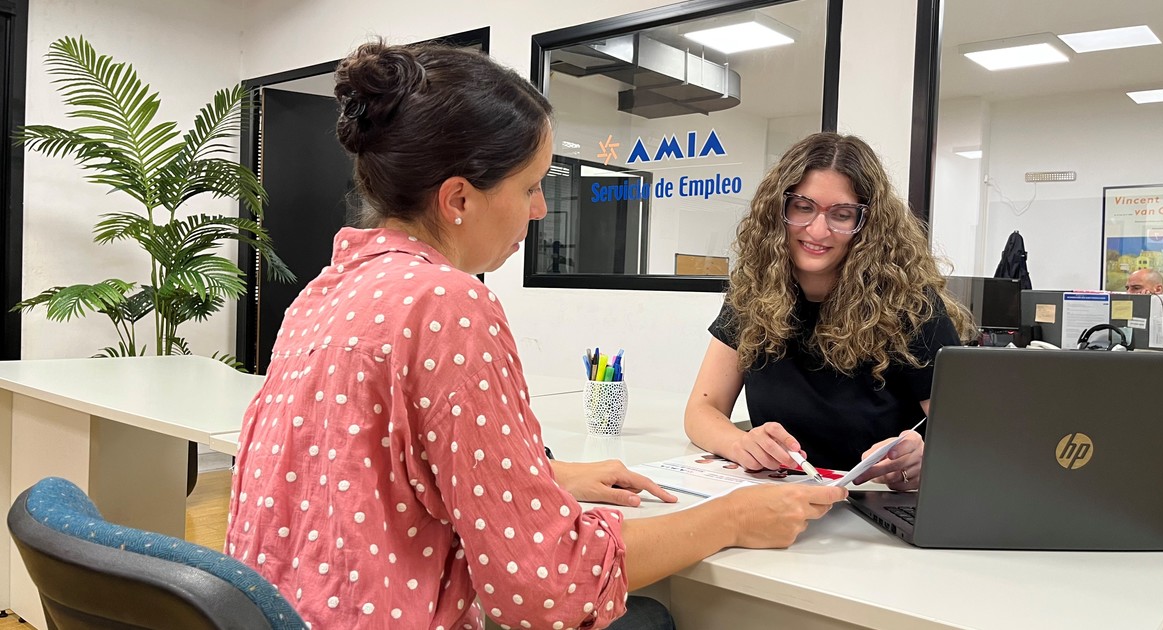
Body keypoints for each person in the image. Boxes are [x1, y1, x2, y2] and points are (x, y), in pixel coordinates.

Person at [226, 40, 847, 630]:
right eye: (529, 186)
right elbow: (548, 584)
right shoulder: (448, 303)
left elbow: (372, 474)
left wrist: (543, 479)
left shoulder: (326, 291)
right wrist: (730, 518)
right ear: (458, 199)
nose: (542, 209)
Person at [684, 132, 976, 492]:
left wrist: (925, 459)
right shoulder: (753, 293)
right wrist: (740, 444)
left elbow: (966, 437)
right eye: (803, 207)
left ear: (867, 224)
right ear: (778, 209)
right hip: (781, 500)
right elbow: (702, 410)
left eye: (841, 214)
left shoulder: (911, 304)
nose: (818, 230)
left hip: (873, 505)